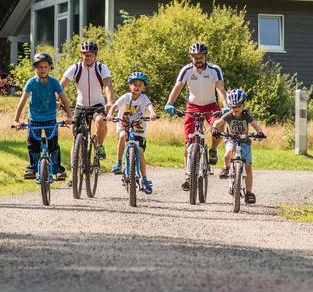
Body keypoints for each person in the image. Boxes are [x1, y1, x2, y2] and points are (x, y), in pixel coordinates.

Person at [163, 41, 226, 192]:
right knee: (188, 143)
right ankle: (188, 176)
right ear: (190, 57)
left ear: (205, 57)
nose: (198, 60)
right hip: (193, 106)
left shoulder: (214, 70)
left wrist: (226, 106)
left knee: (219, 124)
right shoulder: (186, 70)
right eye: (195, 57)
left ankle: (213, 149)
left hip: (211, 105)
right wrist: (169, 103)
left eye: (201, 56)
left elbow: (220, 88)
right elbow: (178, 87)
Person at [11, 52, 71, 180]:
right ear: (35, 68)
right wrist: (16, 120)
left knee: (53, 145)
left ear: (50, 68)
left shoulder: (54, 82)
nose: (42, 70)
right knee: (33, 144)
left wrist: (69, 117)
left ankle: (57, 169)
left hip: (50, 118)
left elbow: (64, 100)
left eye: (45, 67)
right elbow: (22, 102)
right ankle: (32, 168)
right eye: (39, 67)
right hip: (34, 119)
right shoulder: (31, 83)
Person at [60, 40, 113, 161]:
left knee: (100, 120)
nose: (87, 57)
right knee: (76, 137)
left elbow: (108, 85)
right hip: (81, 105)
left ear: (95, 55)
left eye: (90, 55)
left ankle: (99, 146)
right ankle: (75, 172)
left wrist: (110, 102)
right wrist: (56, 100)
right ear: (81, 54)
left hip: (97, 105)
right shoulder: (75, 68)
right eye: (85, 54)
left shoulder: (101, 68)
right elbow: (61, 86)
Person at [213, 87, 265, 204]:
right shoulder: (228, 115)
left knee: (248, 166)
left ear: (243, 105)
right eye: (232, 106)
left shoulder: (246, 115)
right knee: (228, 153)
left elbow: (255, 125)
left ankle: (249, 192)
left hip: (244, 141)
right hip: (231, 139)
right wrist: (214, 128)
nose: (235, 109)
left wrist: (259, 132)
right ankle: (226, 169)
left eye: (238, 106)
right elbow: (217, 122)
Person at [109, 71, 154, 194]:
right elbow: (115, 106)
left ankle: (144, 179)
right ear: (130, 86)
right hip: (124, 126)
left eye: (140, 84)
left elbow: (149, 106)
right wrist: (109, 114)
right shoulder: (125, 97)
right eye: (134, 84)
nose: (137, 87)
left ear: (143, 87)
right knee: (123, 136)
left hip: (139, 129)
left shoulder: (144, 98)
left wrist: (152, 114)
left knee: (139, 151)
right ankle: (118, 163)